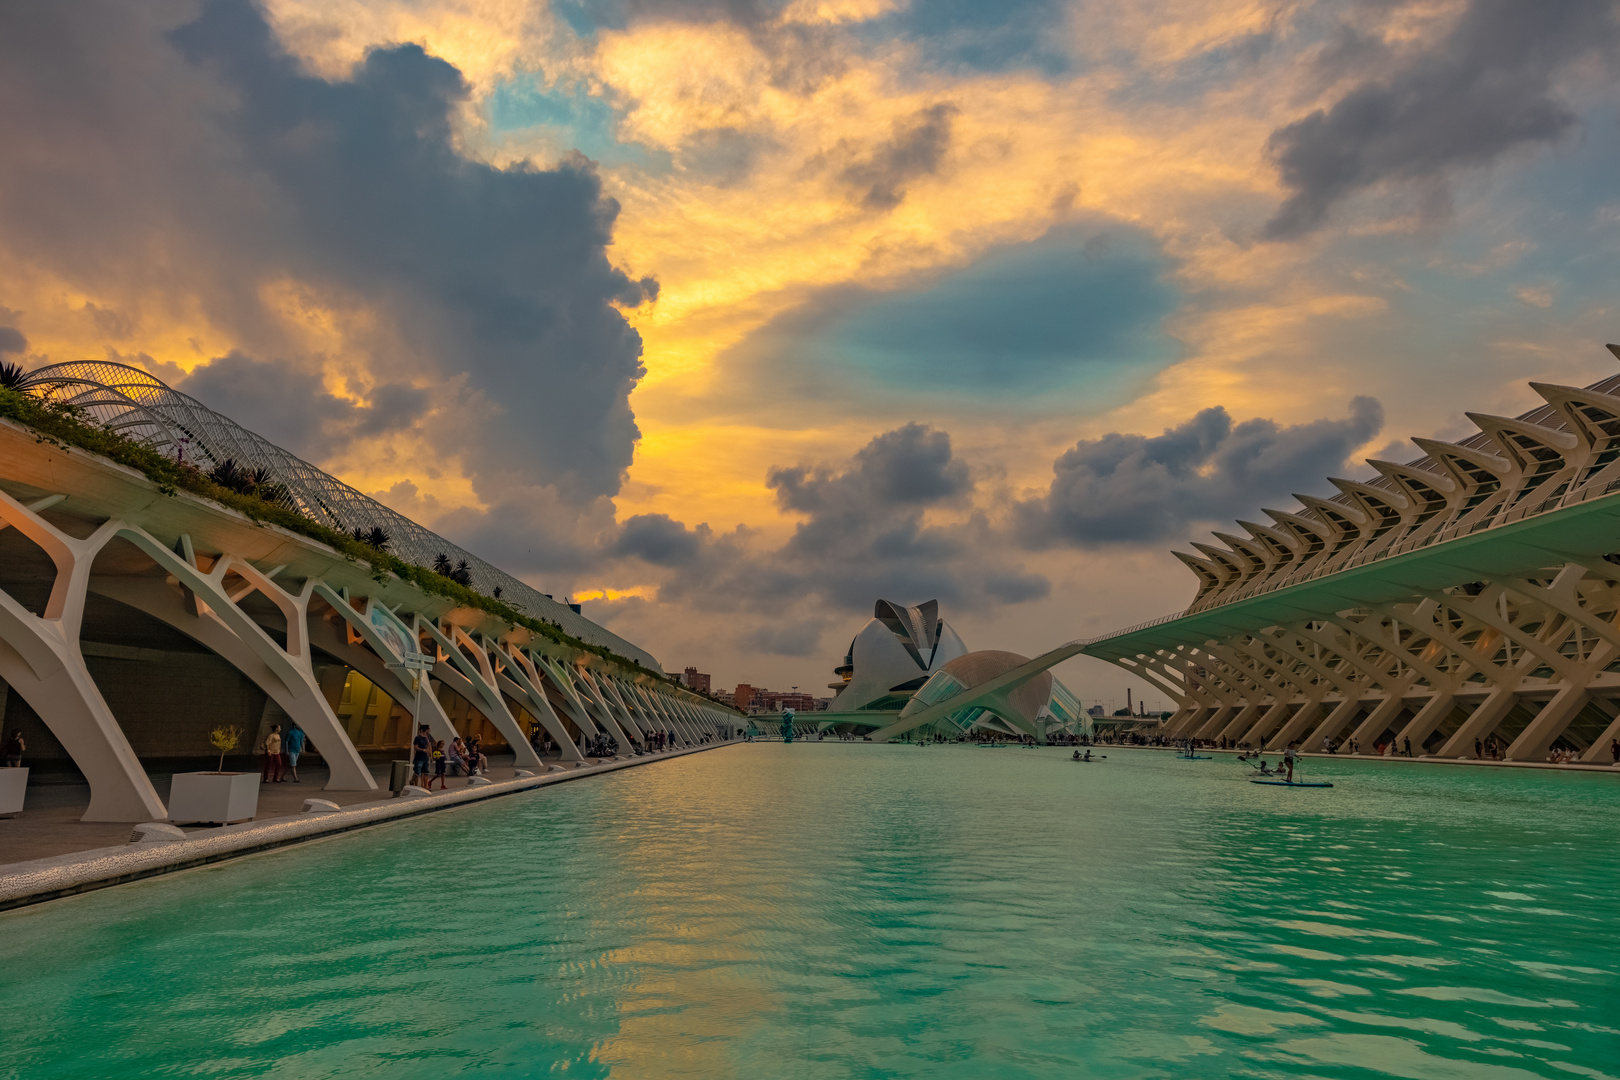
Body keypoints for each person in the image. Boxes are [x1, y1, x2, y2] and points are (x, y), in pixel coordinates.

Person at [411, 724, 432, 788]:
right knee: (417, 772)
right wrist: (423, 750)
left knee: (426, 771)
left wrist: (430, 755)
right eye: (428, 729)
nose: (429, 730)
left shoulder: (427, 738)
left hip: (425, 757)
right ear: (425, 730)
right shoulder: (418, 738)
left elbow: (429, 746)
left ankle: (425, 786)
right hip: (419, 757)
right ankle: (415, 785)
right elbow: (415, 747)